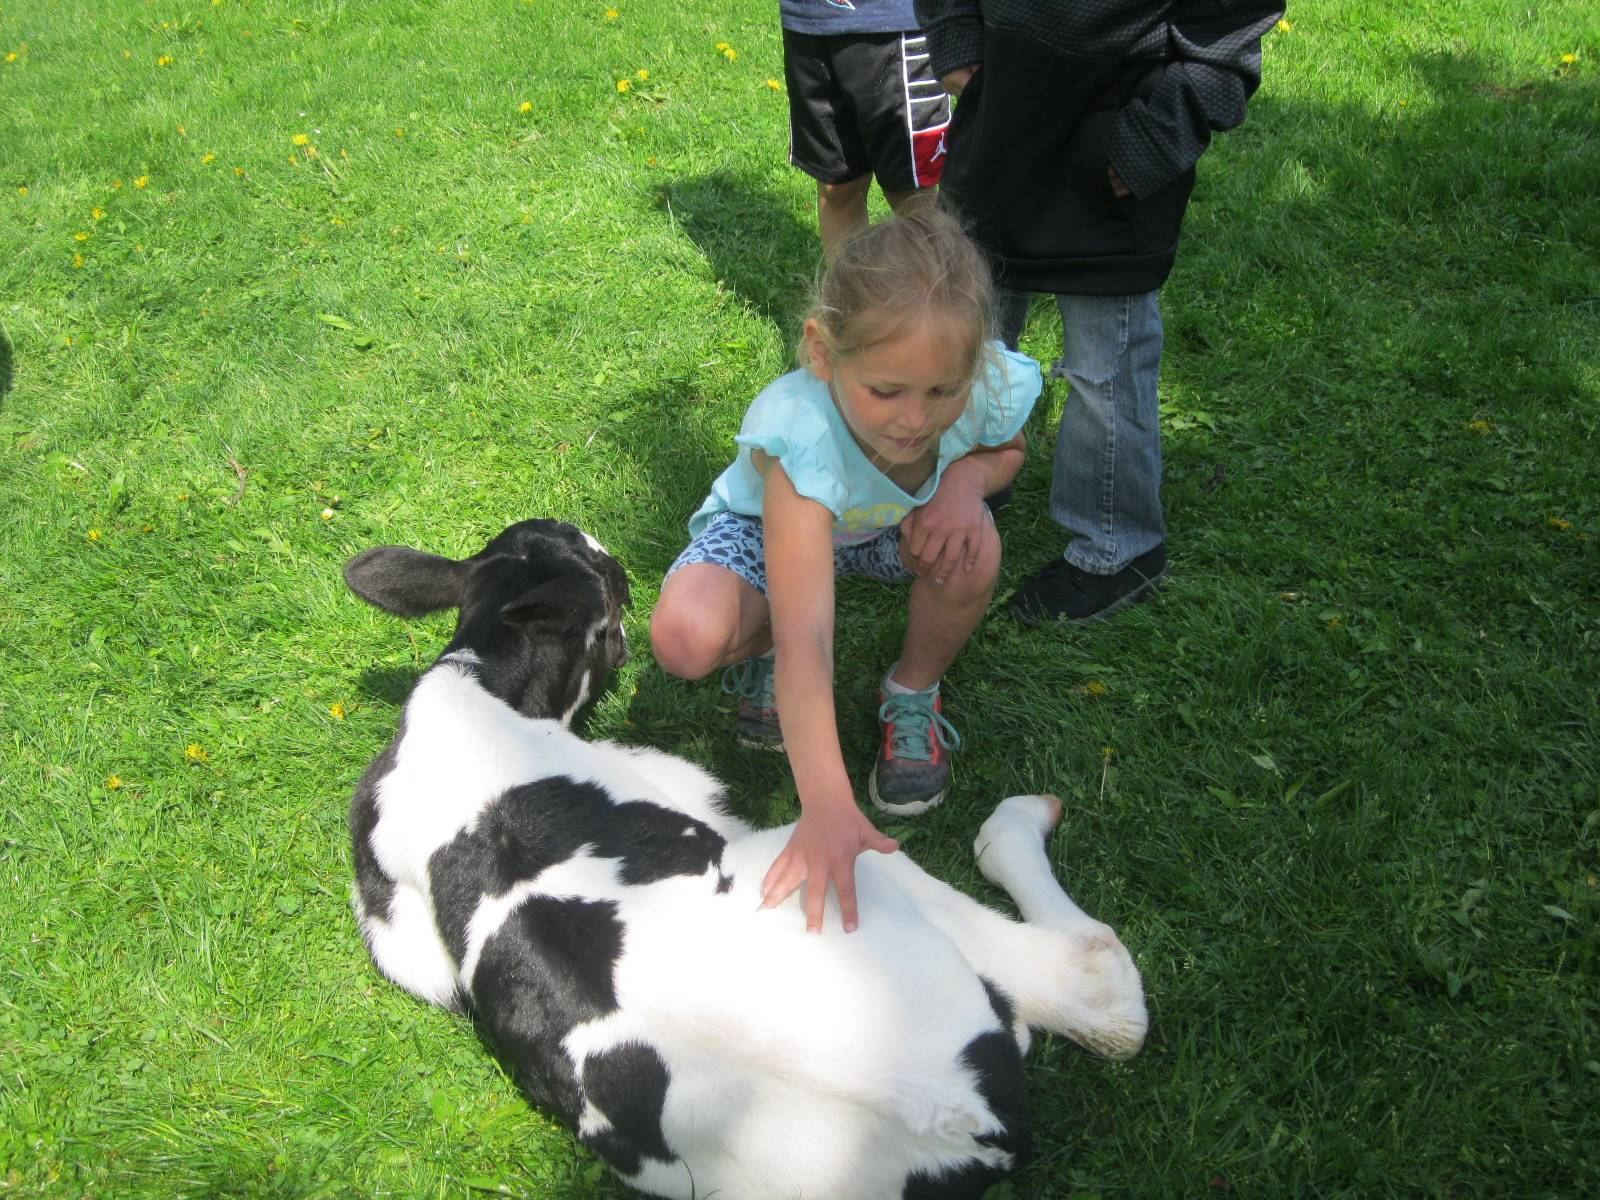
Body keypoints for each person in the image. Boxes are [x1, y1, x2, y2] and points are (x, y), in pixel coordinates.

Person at [650, 210, 1041, 932]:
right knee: (686, 635)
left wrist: (963, 485)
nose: (917, 420)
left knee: (974, 544)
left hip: (891, 526)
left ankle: (912, 691)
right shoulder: (802, 439)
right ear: (823, 354)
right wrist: (826, 803)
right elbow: (811, 637)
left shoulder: (975, 382)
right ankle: (751, 650)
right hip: (772, 533)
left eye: (941, 393)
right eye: (886, 392)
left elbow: (1007, 448)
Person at [914, 0, 1284, 624]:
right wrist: (956, 45)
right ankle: (963, 492)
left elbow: (1230, 31)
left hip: (1117, 148)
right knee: (970, 328)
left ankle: (1119, 549)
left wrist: (1146, 144)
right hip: (1001, 119)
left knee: (1103, 364)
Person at [779, 0, 953, 259]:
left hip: (893, 23)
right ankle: (850, 298)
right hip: (808, 21)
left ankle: (944, 296)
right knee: (837, 186)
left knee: (912, 195)